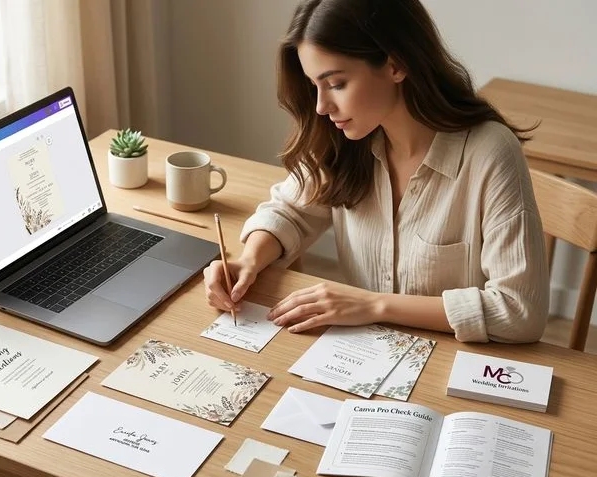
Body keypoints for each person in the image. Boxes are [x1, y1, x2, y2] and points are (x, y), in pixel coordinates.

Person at [203, 0, 548, 343]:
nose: (322, 107)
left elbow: (519, 311)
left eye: (336, 83)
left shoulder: (489, 153)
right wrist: (248, 260)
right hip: (358, 356)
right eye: (314, 86)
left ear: (396, 65)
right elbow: (290, 211)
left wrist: (375, 305)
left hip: (453, 366)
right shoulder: (346, 139)